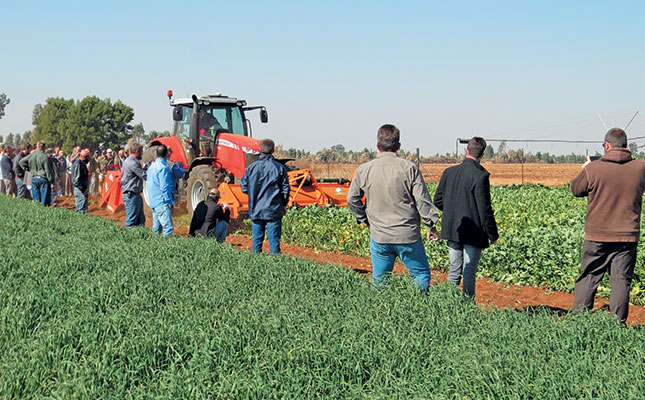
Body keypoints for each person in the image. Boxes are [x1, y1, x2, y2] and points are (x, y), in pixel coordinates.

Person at [347, 124, 440, 291]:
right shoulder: (409, 168)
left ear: (377, 145)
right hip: (408, 236)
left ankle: (381, 313)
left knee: (380, 281)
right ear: (398, 146)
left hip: (380, 236)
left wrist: (364, 219)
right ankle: (417, 310)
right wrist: (431, 225)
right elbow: (422, 201)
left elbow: (352, 199)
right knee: (420, 275)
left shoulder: (364, 170)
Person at [570, 128, 645, 324]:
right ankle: (617, 326)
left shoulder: (593, 169)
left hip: (597, 235)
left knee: (589, 277)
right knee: (621, 281)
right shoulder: (640, 168)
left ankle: (579, 323)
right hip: (627, 236)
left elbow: (576, 190)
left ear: (607, 146)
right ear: (625, 146)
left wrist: (586, 168)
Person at [433, 137, 498, 298]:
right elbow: (485, 209)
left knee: (454, 270)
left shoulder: (449, 172)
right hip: (474, 232)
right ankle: (467, 308)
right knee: (468, 271)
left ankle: (448, 306)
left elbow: (438, 201)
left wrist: (451, 212)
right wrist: (493, 234)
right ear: (482, 155)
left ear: (466, 151)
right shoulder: (480, 175)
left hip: (453, 228)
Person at [240, 138, 290, 254]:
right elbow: (286, 189)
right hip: (273, 209)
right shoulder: (279, 168)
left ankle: (255, 265)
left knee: (256, 241)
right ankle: (274, 267)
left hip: (256, 208)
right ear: (273, 150)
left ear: (260, 150)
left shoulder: (251, 168)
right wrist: (283, 204)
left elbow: (244, 187)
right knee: (274, 242)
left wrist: (254, 194)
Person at [147, 144, 175, 236]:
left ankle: (153, 247)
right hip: (162, 202)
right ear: (167, 154)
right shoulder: (163, 169)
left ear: (156, 154)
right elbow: (165, 187)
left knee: (156, 229)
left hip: (154, 202)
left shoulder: (151, 168)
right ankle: (166, 250)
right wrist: (170, 202)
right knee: (168, 229)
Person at [120, 141, 147, 227]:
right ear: (136, 152)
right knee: (131, 221)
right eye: (141, 152)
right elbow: (143, 175)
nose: (142, 154)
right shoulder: (132, 162)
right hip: (131, 195)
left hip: (135, 195)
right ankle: (126, 239)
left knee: (140, 220)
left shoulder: (130, 161)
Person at [20, 140, 54, 205]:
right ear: (44, 148)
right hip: (43, 179)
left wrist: (28, 169)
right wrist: (51, 180)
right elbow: (48, 170)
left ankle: (37, 211)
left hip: (34, 179)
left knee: (36, 200)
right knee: (44, 201)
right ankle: (43, 213)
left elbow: (21, 162)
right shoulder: (45, 157)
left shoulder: (32, 155)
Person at [71, 148, 90, 213]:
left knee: (84, 206)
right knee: (80, 206)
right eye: (87, 157)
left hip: (82, 188)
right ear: (84, 157)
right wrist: (83, 190)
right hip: (79, 189)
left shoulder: (82, 164)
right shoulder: (78, 164)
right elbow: (77, 179)